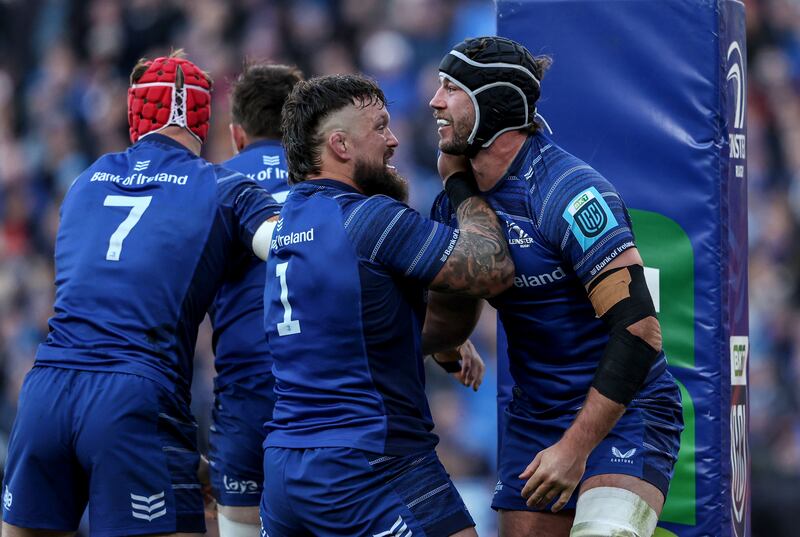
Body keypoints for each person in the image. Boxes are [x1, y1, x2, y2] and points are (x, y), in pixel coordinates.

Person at [1, 51, 280, 537]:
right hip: (134, 398)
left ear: (135, 113)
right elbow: (288, 244)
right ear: (204, 120)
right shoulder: (225, 188)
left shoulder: (84, 181)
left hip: (45, 393)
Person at [425, 36, 684, 537]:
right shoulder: (455, 205)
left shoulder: (569, 193)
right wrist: (448, 343)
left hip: (625, 413)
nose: (435, 101)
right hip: (535, 418)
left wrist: (575, 448)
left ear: (495, 103)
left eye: (451, 89)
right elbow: (453, 304)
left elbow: (639, 332)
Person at [259, 73, 514, 537]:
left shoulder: (287, 223)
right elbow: (490, 268)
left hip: (286, 469)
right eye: (379, 127)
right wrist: (458, 181)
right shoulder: (368, 218)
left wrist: (442, 340)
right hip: (369, 461)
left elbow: (352, 327)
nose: (394, 140)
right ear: (340, 145)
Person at [206, 63, 302, 537]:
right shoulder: (332, 179)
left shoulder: (212, 184)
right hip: (323, 394)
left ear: (236, 134)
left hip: (246, 393)